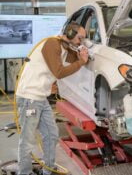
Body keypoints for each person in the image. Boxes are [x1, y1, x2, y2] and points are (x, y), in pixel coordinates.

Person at [15, 22, 89, 175]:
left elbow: (73, 58)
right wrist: (81, 61)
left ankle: (48, 169)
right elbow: (59, 72)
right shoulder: (51, 44)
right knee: (28, 140)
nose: (80, 42)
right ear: (69, 34)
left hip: (41, 98)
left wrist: (82, 54)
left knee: (51, 135)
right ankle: (25, 172)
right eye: (80, 38)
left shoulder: (64, 47)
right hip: (30, 98)